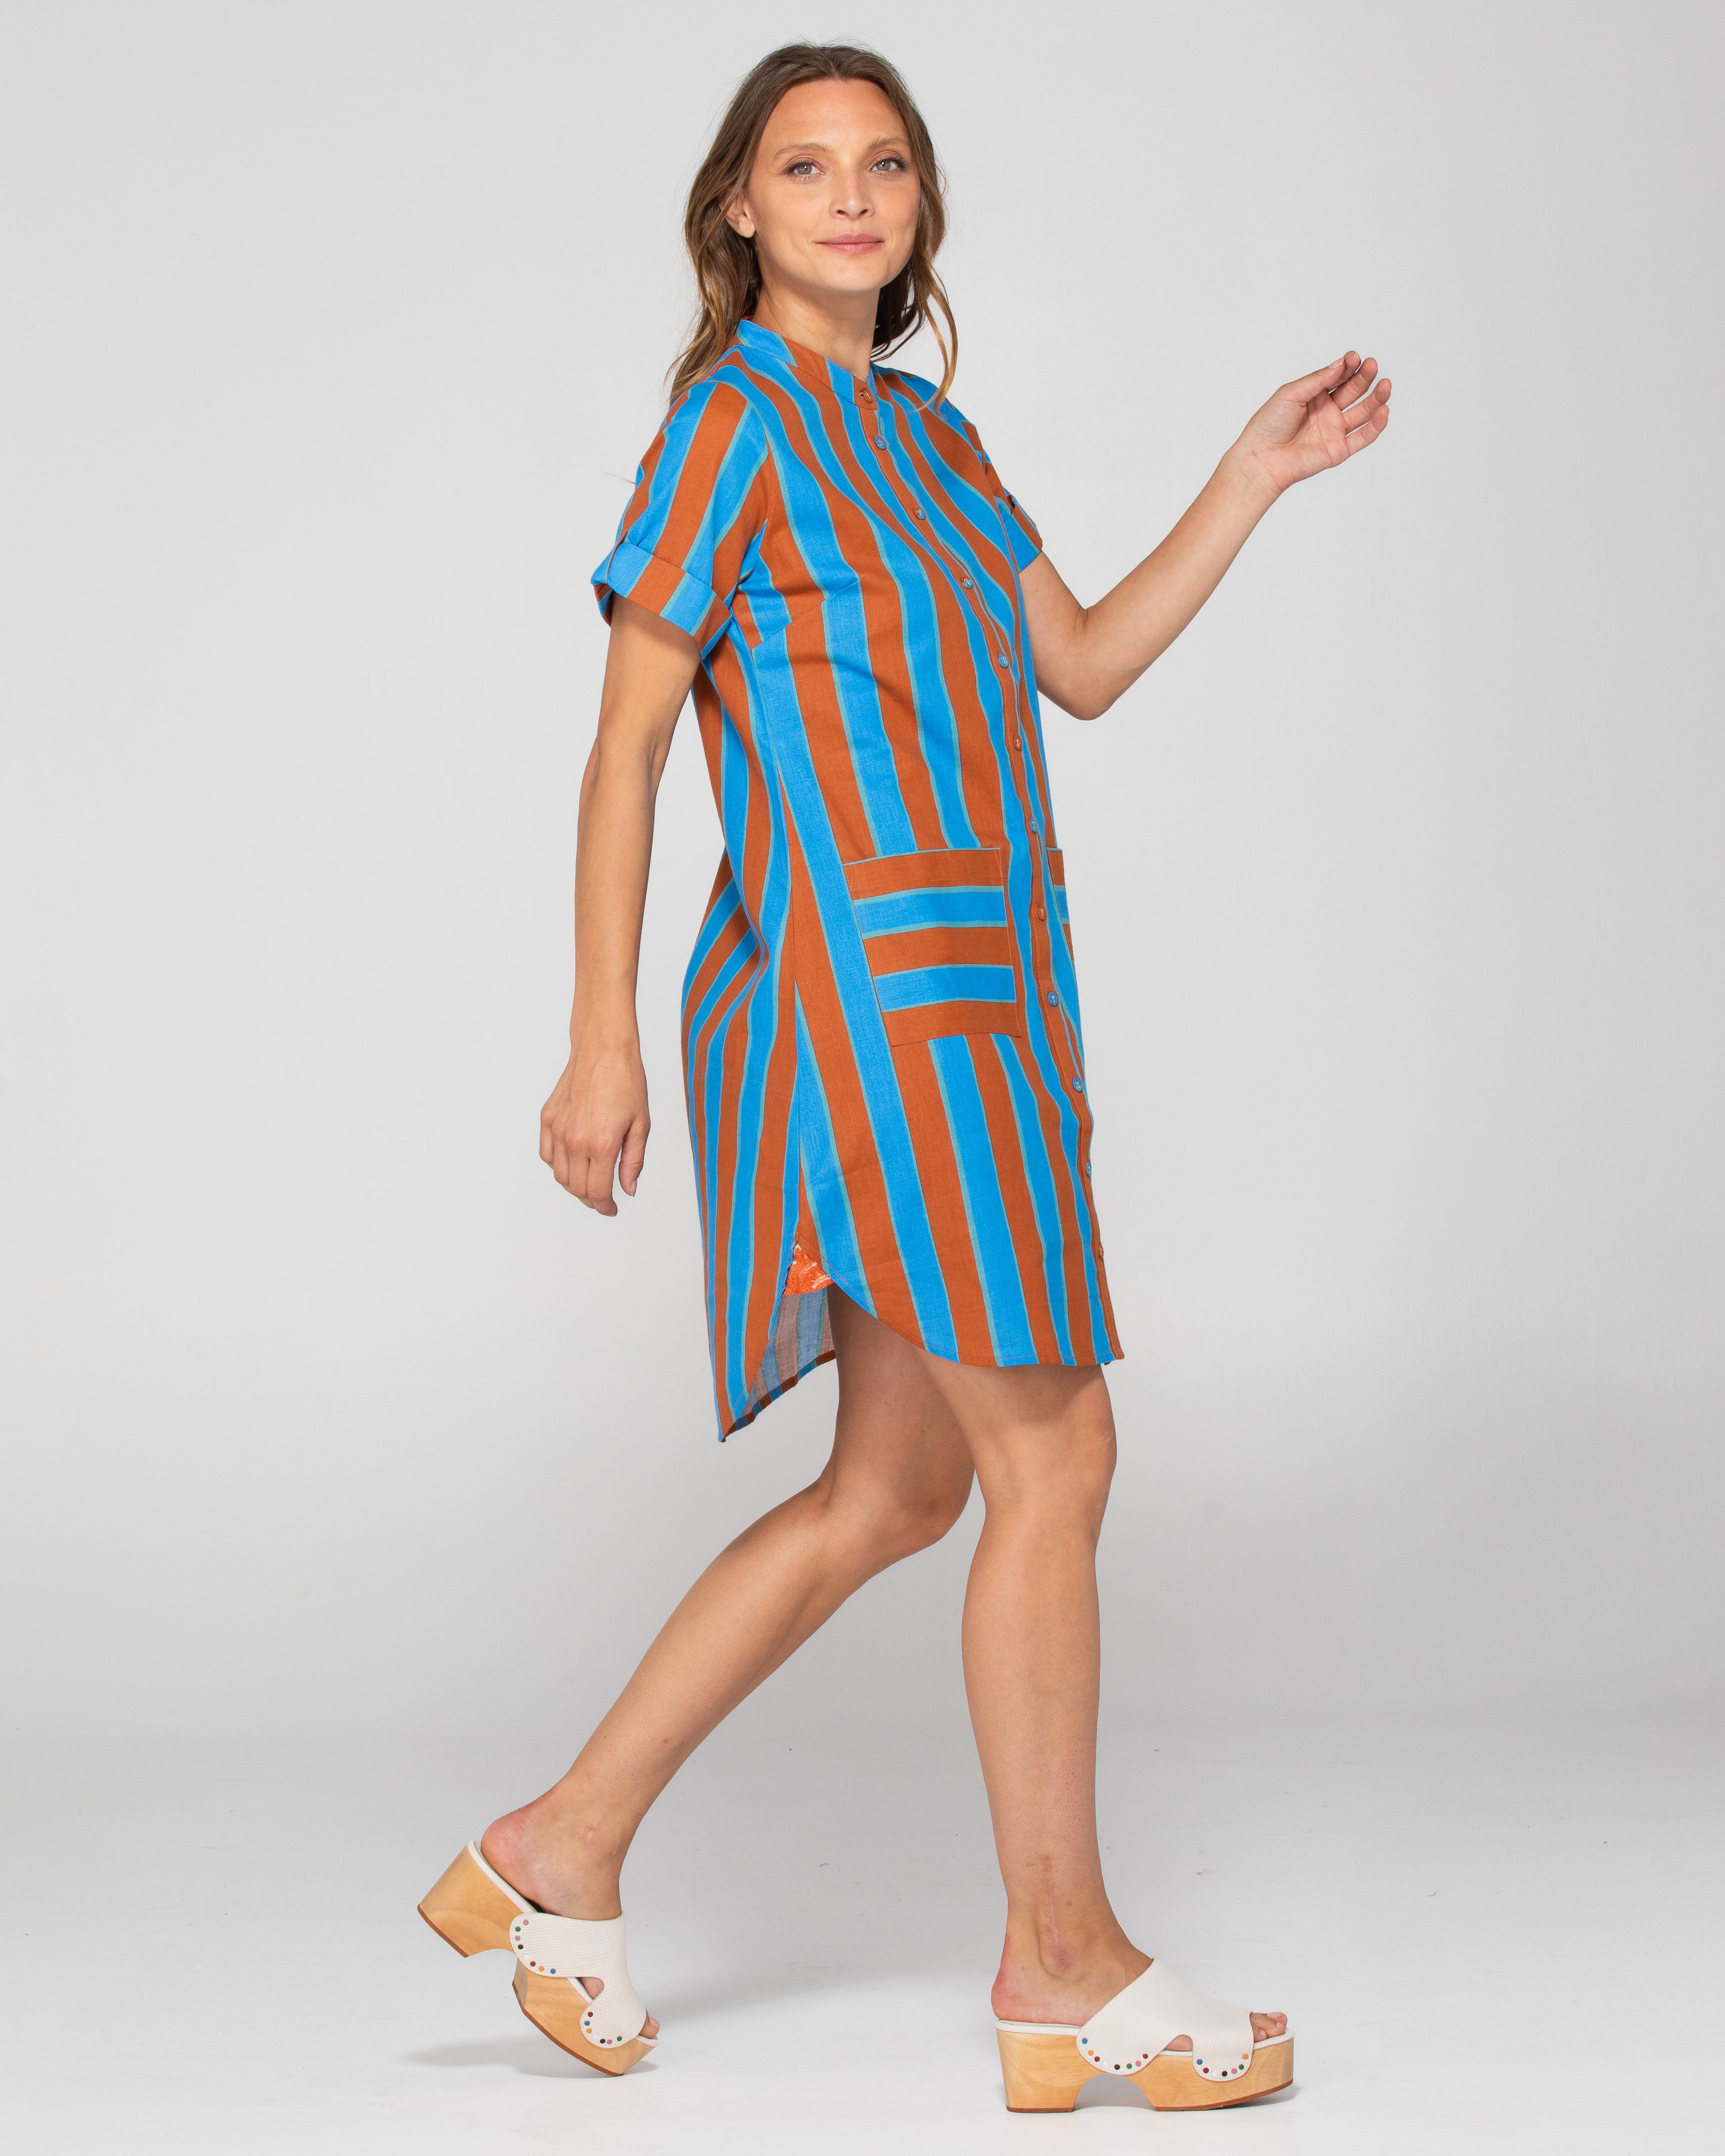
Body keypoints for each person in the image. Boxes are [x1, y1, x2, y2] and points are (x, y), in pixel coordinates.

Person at [418, 40, 1389, 2111]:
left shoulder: (936, 441)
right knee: (1061, 1458)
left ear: (919, 205)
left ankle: (556, 1849)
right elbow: (626, 747)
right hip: (857, 1006)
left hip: (991, 1006)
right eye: (806, 166)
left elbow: (1081, 663)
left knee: (900, 1490)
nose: (851, 195)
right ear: (740, 208)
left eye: (884, 165)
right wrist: (598, 1034)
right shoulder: (730, 425)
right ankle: (1064, 1964)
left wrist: (1252, 472)